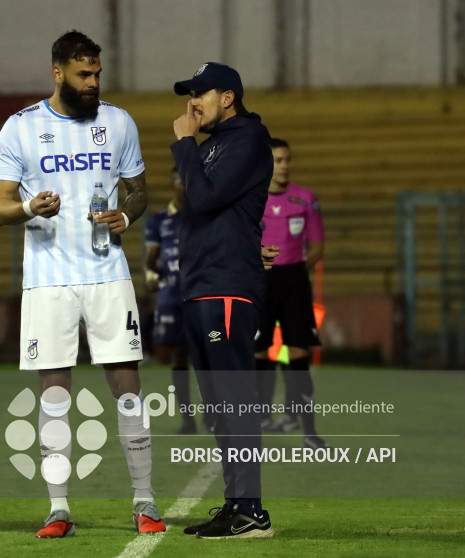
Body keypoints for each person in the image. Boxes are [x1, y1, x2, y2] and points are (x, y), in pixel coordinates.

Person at [0, 30, 165, 538]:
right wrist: (27, 208)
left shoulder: (118, 122)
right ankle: (59, 508)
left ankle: (145, 501)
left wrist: (125, 219)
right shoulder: (21, 128)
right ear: (58, 72)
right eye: (84, 74)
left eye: (98, 74)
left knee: (128, 389)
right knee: (54, 394)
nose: (93, 83)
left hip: (107, 274)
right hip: (47, 282)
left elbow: (138, 191)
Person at [171, 62, 274, 539]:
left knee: (234, 401)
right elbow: (198, 205)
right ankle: (235, 505)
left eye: (200, 93)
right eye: (188, 94)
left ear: (227, 97)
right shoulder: (213, 147)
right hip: (200, 287)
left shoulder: (248, 140)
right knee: (217, 406)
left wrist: (183, 146)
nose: (192, 102)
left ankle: (252, 511)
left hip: (226, 287)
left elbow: (206, 200)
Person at [254, 138, 328, 450]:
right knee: (257, 353)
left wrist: (295, 267)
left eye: (287, 160)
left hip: (295, 281)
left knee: (298, 354)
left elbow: (318, 246)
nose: (284, 166)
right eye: (278, 160)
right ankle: (259, 420)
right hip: (260, 281)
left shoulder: (306, 199)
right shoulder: (250, 199)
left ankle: (309, 431)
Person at [144, 168, 213, 434]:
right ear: (173, 184)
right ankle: (187, 419)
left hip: (202, 295)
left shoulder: (206, 217)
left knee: (205, 356)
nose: (184, 186)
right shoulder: (159, 220)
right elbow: (152, 260)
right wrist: (151, 276)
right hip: (172, 296)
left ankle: (211, 416)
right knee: (178, 357)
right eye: (180, 181)